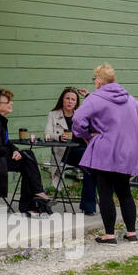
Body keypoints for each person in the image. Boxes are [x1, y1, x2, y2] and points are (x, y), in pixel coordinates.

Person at [70, 64, 138, 243]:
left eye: (94, 80)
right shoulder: (130, 99)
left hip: (104, 151)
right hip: (127, 151)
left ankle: (109, 235)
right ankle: (132, 233)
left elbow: (77, 119)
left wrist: (86, 135)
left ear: (98, 82)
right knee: (124, 192)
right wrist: (129, 131)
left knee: (105, 193)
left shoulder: (95, 98)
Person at [0, 87, 52, 215]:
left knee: (27, 157)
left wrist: (15, 150)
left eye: (10, 101)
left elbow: (6, 143)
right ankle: (35, 197)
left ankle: (34, 198)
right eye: (7, 102)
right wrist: (15, 153)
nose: (11, 103)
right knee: (26, 160)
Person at [45, 87, 96, 216]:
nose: (70, 101)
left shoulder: (81, 114)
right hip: (63, 153)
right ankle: (89, 206)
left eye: (73, 99)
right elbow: (47, 134)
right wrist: (58, 137)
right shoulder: (53, 114)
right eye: (67, 98)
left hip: (82, 152)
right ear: (62, 100)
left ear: (76, 102)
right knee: (91, 160)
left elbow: (96, 109)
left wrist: (88, 95)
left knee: (90, 168)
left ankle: (89, 206)